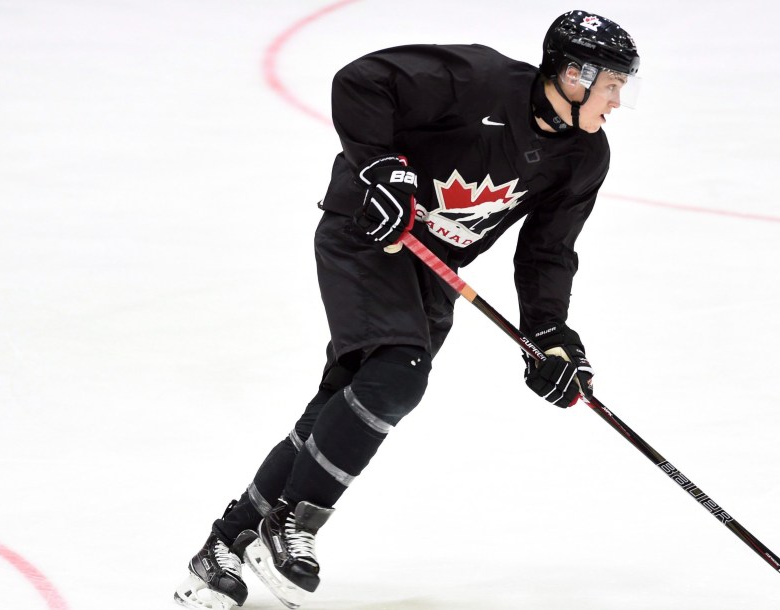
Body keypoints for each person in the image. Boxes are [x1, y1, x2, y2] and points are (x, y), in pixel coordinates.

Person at [174, 9, 641, 609]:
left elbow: (548, 253)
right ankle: (293, 522)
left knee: (347, 402)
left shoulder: (583, 156)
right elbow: (362, 81)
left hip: (432, 270)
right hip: (369, 235)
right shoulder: (478, 79)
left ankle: (222, 548)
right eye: (611, 85)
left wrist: (549, 333)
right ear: (573, 76)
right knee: (398, 372)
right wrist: (380, 169)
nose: (617, 101)